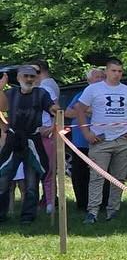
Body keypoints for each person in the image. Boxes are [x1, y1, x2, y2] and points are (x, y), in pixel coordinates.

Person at [74, 56, 127, 224]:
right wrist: (87, 133)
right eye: (113, 71)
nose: (117, 74)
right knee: (97, 177)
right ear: (106, 71)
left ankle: (113, 210)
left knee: (118, 178)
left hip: (122, 140)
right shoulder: (93, 89)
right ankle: (92, 212)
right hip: (100, 140)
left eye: (120, 71)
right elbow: (79, 109)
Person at [0, 65, 54, 225]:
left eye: (32, 76)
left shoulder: (41, 93)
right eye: (26, 76)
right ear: (18, 78)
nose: (29, 79)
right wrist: (0, 89)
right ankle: (1, 215)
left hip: (33, 140)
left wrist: (55, 110)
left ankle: (28, 216)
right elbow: (2, 108)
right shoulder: (10, 93)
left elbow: (51, 107)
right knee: (3, 178)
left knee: (31, 182)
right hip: (12, 139)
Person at [65, 68, 105, 215]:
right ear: (89, 81)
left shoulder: (107, 94)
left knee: (101, 174)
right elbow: (68, 112)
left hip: (102, 141)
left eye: (102, 77)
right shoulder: (81, 95)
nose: (100, 79)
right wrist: (87, 111)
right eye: (97, 77)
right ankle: (82, 204)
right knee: (80, 173)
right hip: (81, 142)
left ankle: (102, 203)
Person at [34, 59, 60, 213]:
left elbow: (56, 108)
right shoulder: (49, 83)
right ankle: (47, 199)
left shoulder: (46, 86)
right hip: (44, 129)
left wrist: (51, 127)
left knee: (47, 167)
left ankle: (49, 201)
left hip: (46, 131)